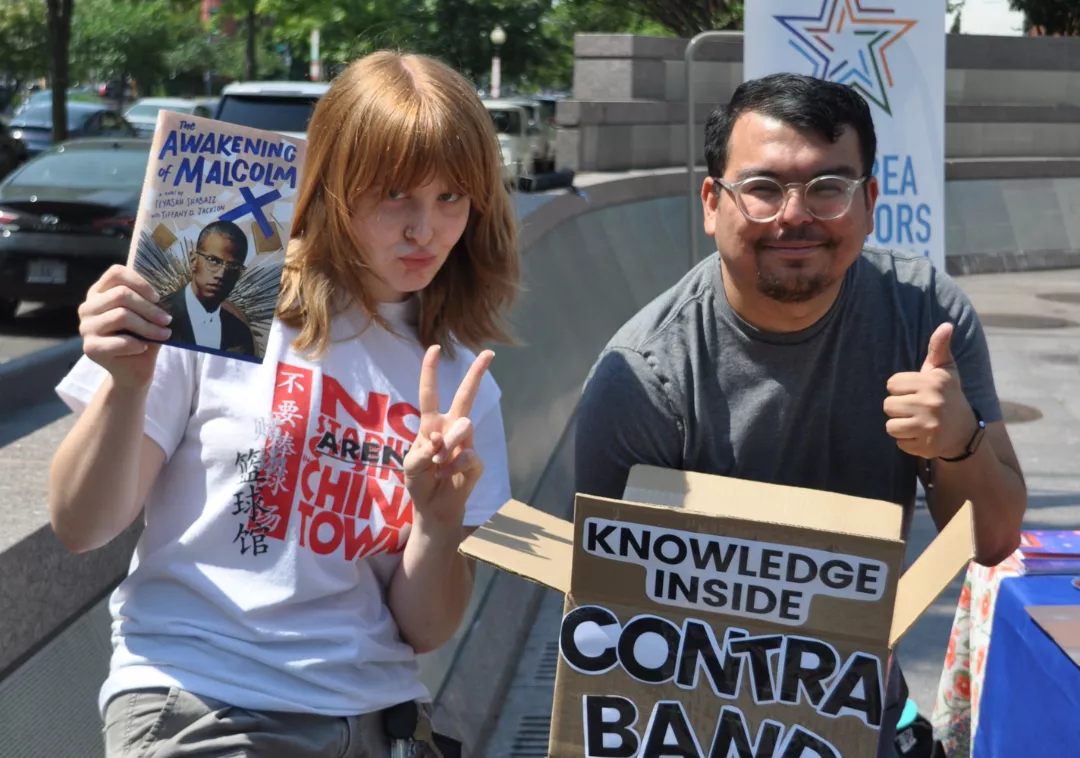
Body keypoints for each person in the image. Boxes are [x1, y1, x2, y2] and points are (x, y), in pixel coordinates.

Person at [48, 50, 520, 758]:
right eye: (397, 196)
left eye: (452, 198)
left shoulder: (458, 377)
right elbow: (82, 525)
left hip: (382, 722)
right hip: (207, 703)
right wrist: (126, 382)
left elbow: (426, 630)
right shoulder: (229, 301)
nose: (427, 230)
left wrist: (438, 517)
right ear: (332, 186)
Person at [573, 73, 1027, 757]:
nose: (795, 215)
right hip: (700, 725)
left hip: (868, 708)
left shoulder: (924, 316)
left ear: (869, 202)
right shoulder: (643, 376)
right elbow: (606, 635)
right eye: (762, 188)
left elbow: (993, 541)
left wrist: (957, 442)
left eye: (828, 188)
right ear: (711, 202)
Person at [160, 219, 255, 356]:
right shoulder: (158, 314)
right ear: (193, 260)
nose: (221, 274)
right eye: (214, 261)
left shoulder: (240, 334)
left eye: (233, 267)